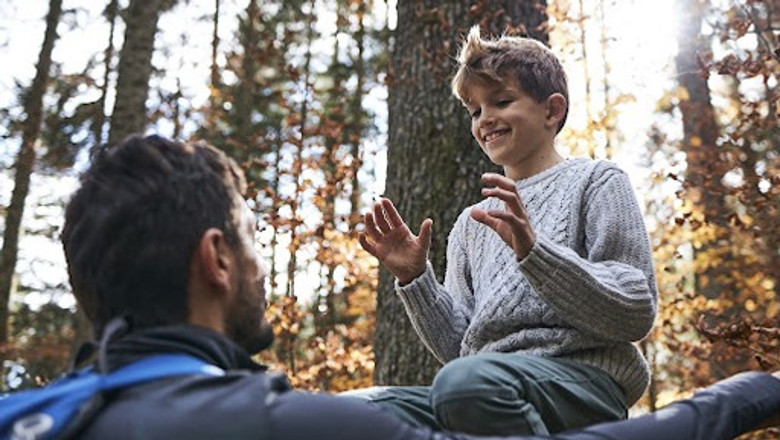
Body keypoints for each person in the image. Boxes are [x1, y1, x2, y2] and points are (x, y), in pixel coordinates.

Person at [22, 133, 778, 440]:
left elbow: (629, 306)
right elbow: (465, 356)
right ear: (217, 260)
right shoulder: (291, 425)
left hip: (569, 383)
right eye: (253, 241)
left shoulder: (25, 415)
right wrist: (755, 392)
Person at [352, 26, 657, 436]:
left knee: (464, 386)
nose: (485, 119)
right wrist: (415, 278)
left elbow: (634, 311)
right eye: (475, 111)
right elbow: (459, 351)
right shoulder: (470, 223)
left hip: (581, 384)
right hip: (484, 387)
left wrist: (535, 253)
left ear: (552, 111)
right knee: (352, 412)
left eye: (501, 101)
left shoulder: (597, 181)